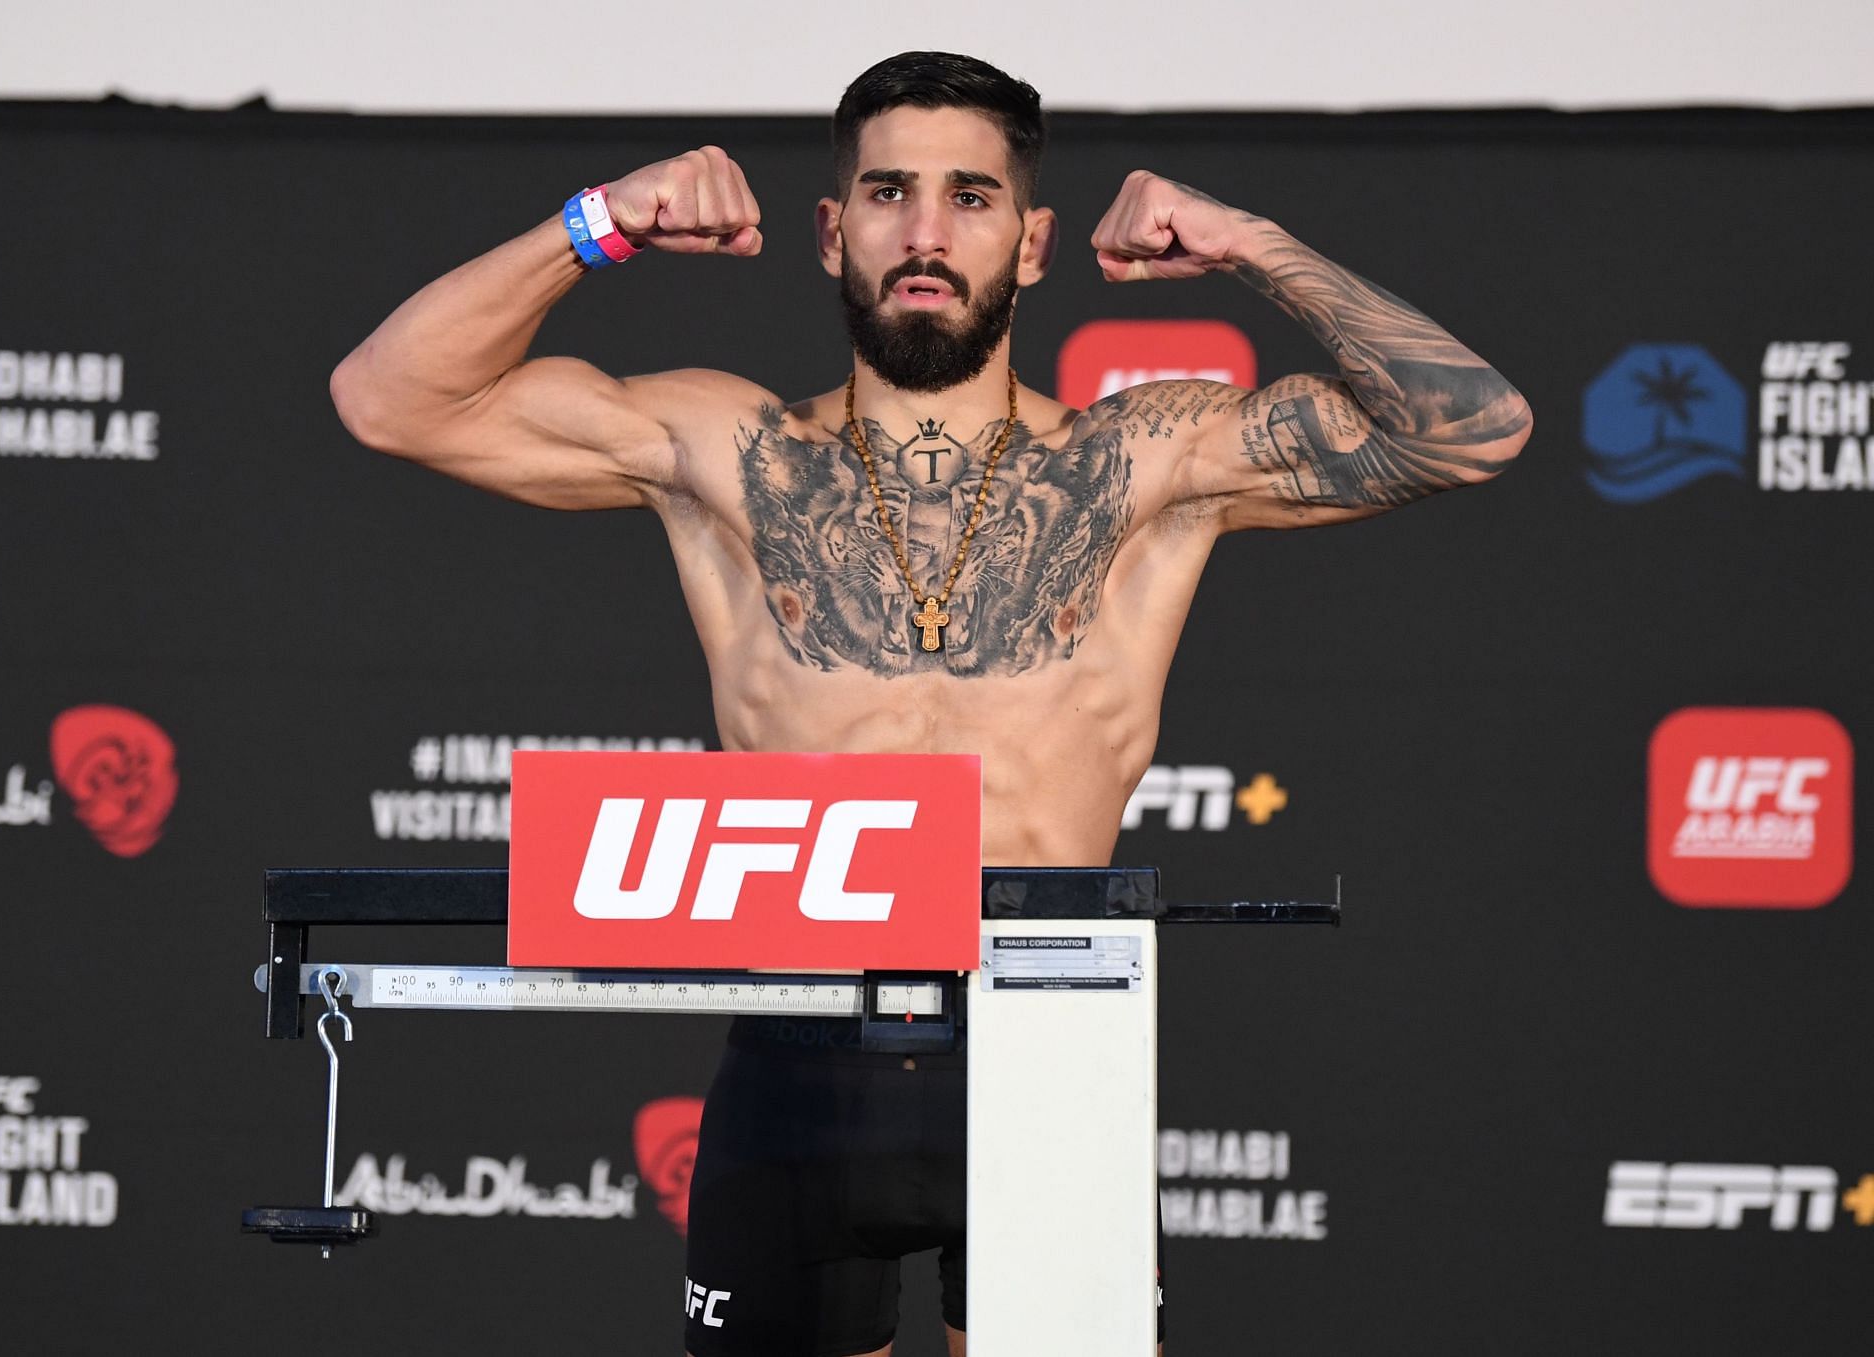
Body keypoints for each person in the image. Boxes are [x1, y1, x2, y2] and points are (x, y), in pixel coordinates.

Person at [330, 49, 1532, 1357]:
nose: (924, 230)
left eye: (971, 197)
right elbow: (387, 400)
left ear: (1033, 244)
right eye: (890, 192)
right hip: (798, 1046)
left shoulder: (1143, 463)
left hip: (1051, 1047)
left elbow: (1474, 429)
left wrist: (1250, 244)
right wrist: (601, 222)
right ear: (831, 231)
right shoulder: (728, 454)